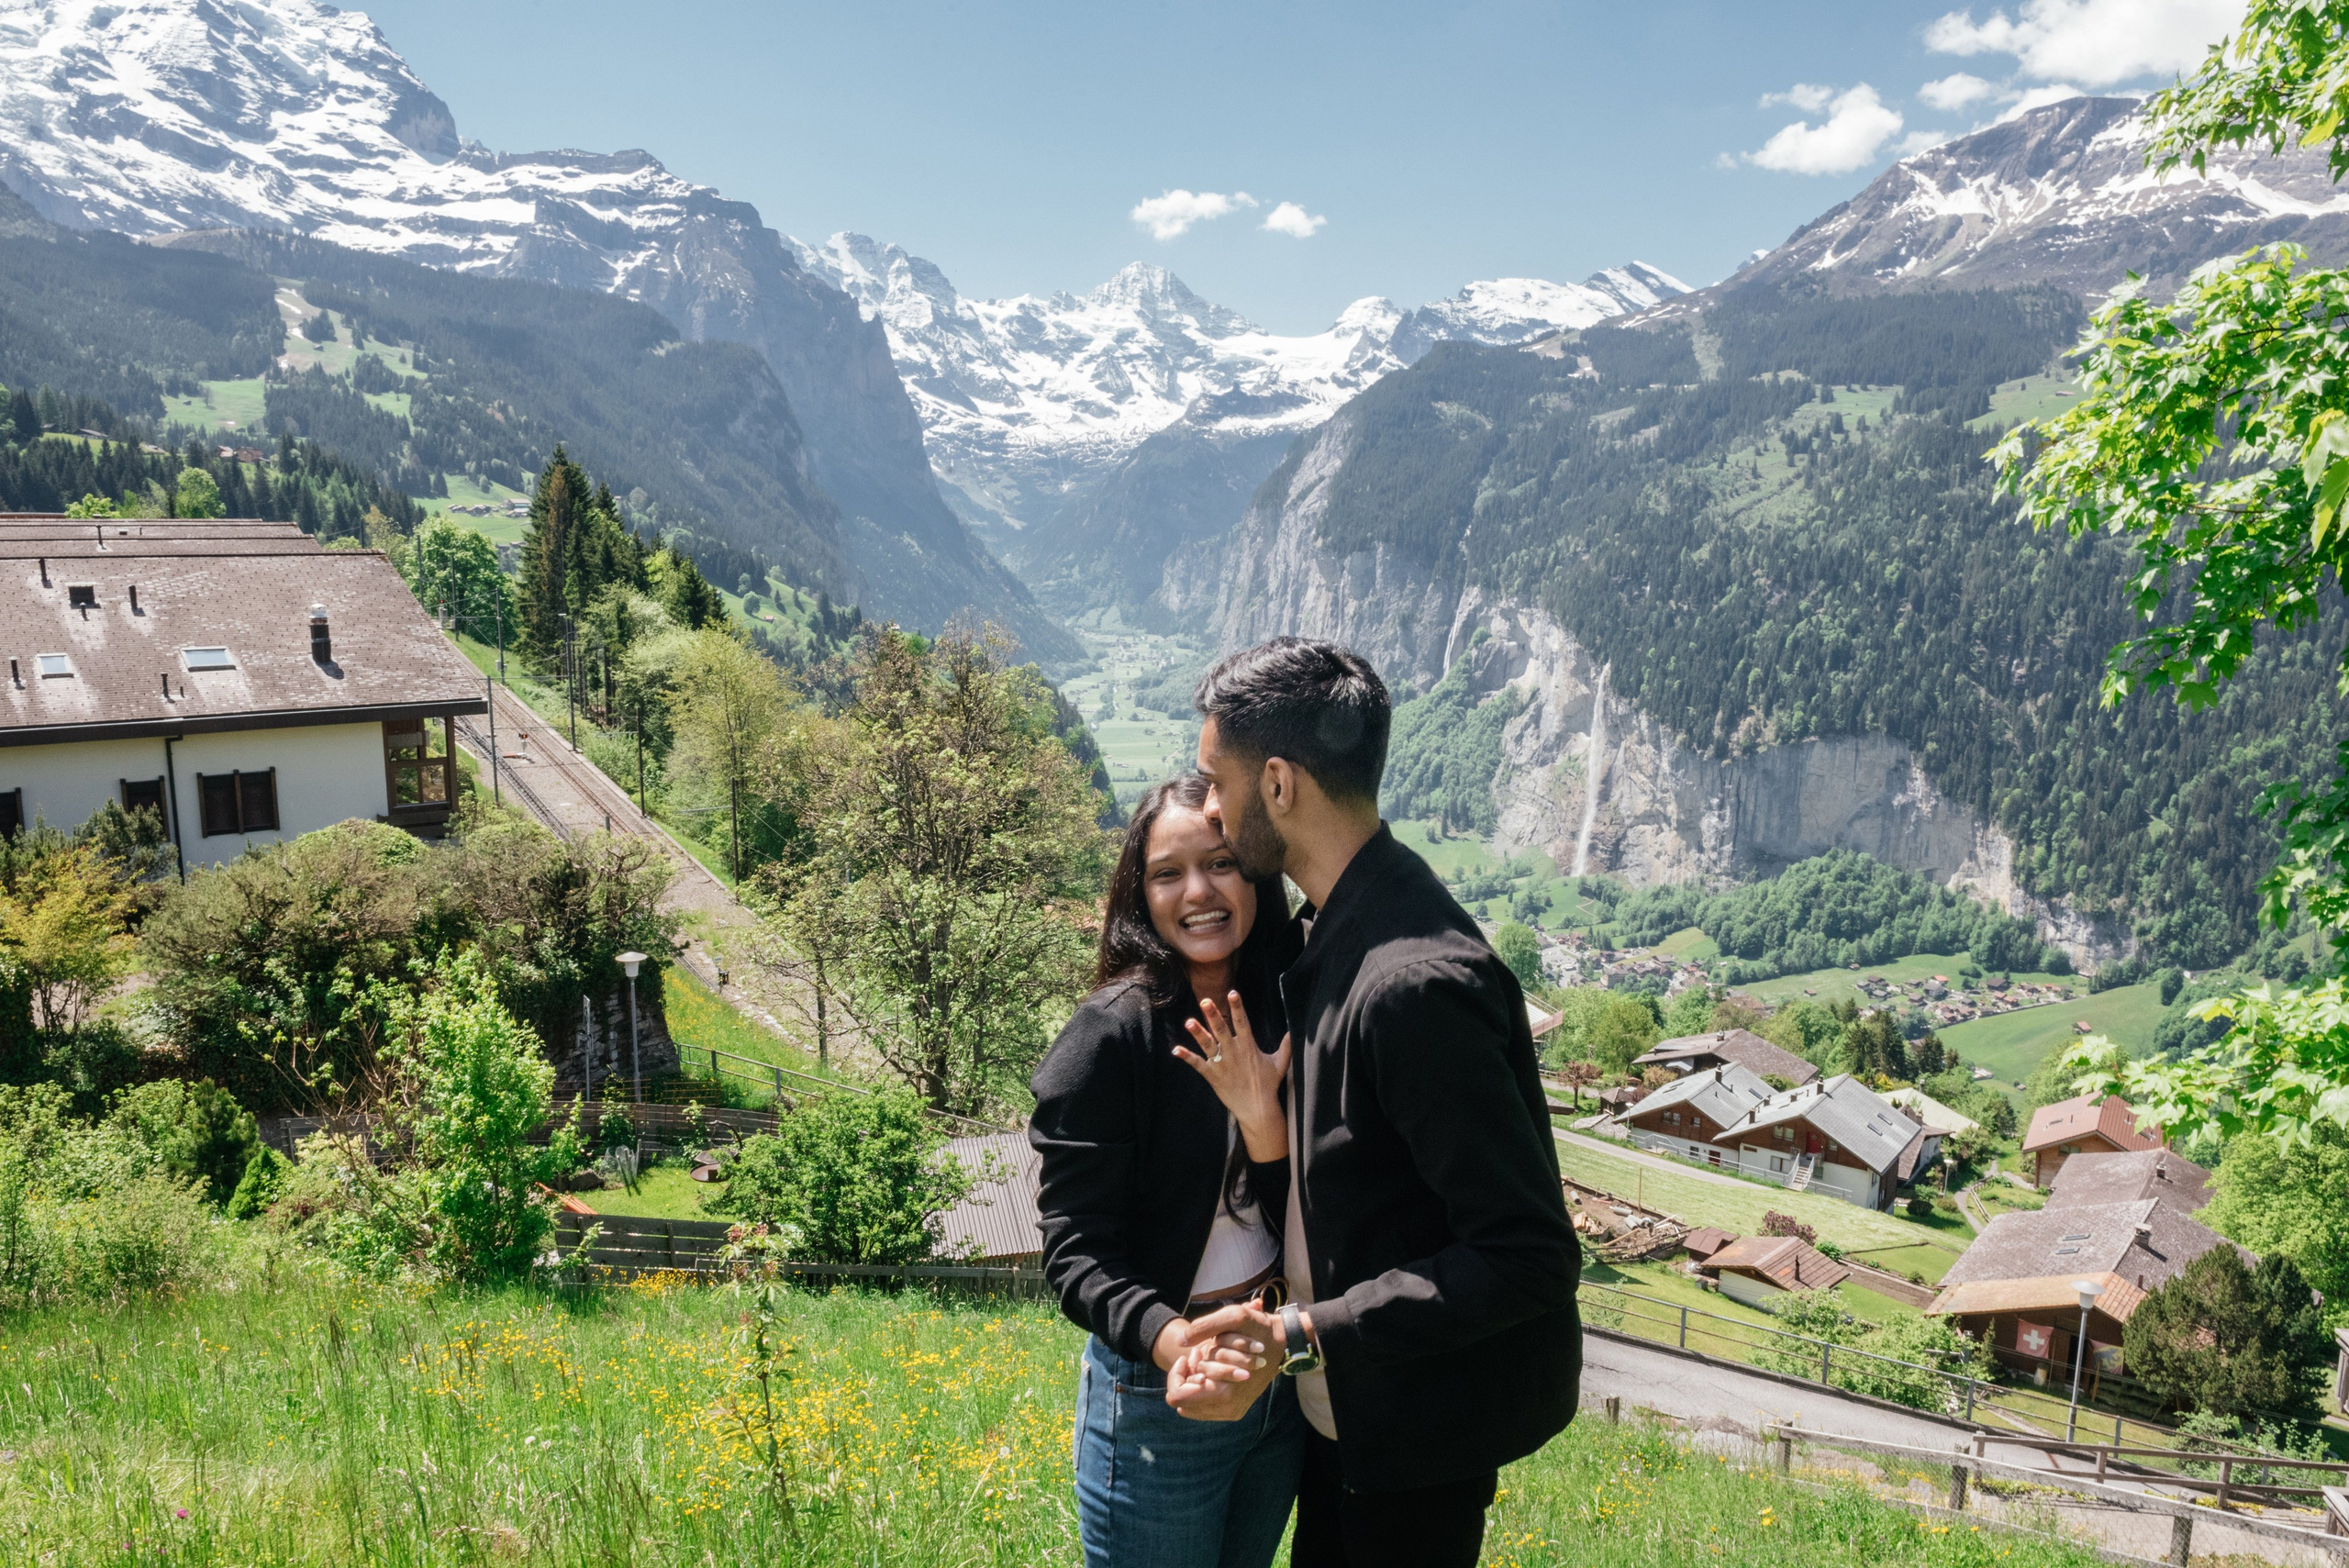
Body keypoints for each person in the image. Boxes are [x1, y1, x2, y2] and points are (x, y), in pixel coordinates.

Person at [1167, 635, 1582, 1568]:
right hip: (1355, 1409)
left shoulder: (1412, 984)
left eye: (1215, 779)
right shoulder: (1338, 927)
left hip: (1412, 1439)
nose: (1207, 805)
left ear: (1278, 784)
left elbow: (1527, 1255)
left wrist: (1303, 1332)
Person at [1030, 773, 1308, 1568]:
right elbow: (1074, 1251)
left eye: (1221, 862)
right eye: (1167, 873)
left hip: (1274, 1364)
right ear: (1138, 893)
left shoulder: (1286, 1005)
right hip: (1161, 1394)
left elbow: (1300, 1213)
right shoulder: (1112, 1037)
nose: (1199, 892)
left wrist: (1263, 1122)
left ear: (1254, 873)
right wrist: (1172, 1340)